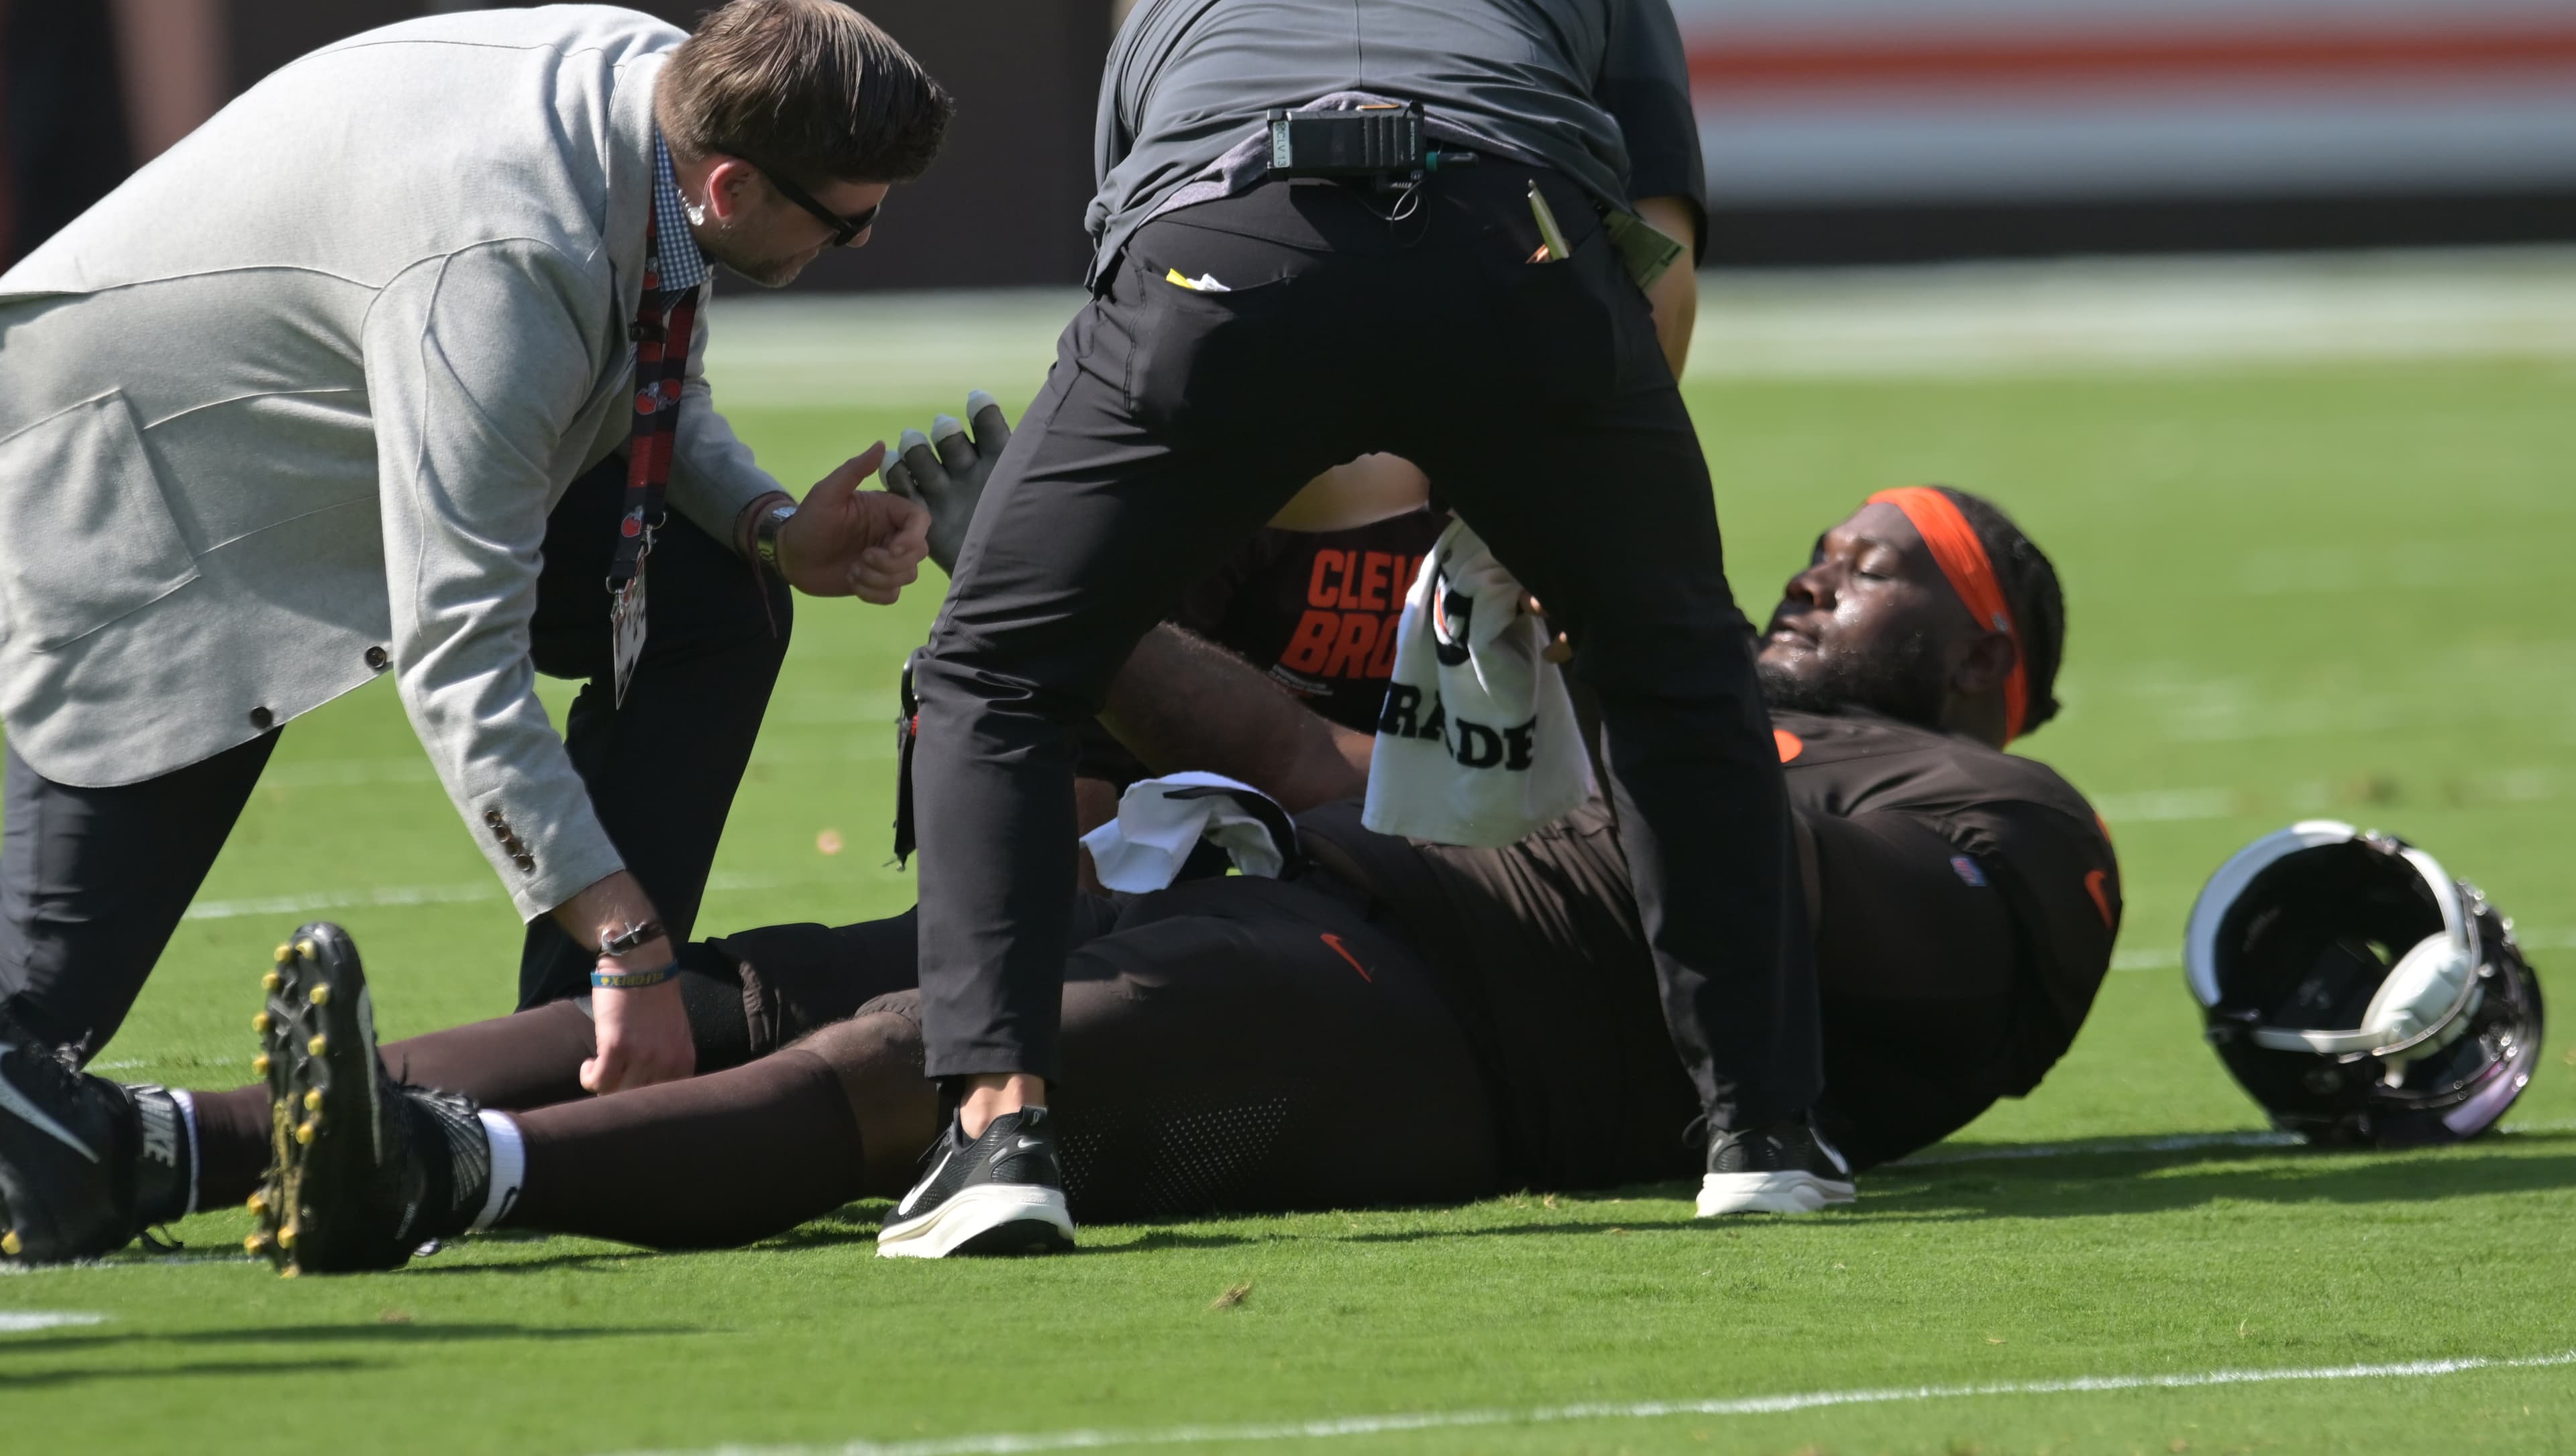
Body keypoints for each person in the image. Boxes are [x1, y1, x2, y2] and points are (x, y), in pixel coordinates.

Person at [0, 474, 2117, 1267]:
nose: (1833, 555)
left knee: (952, 1054)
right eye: (1832, 542)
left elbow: (1926, 978)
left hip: (1461, 1038)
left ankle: (452, 1176)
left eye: (1898, 560)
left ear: (1990, 667)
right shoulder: (1641, 700)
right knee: (763, 981)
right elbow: (1329, 759)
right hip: (1284, 869)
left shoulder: (2004, 817)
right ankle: (151, 1148)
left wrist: (1659, 729)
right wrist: (1053, 583)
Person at [896, 0, 1823, 1253]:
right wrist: (1562, 532)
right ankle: (1759, 1126)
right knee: (1678, 673)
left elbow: (1157, 286)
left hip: (1221, 253)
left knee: (994, 670)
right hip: (1511, 253)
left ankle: (1000, 1134)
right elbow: (1667, 265)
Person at [0, 0, 943, 1096]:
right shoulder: (507, 266)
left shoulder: (663, 93)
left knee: (711, 597)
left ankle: (550, 1084)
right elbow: (460, 661)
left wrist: (770, 529)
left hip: (303, 409)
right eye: (847, 223)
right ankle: (593, 1020)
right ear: (730, 187)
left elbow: (651, 369)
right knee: (38, 1018)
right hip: (139, 483)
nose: (862, 238)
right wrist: (627, 941)